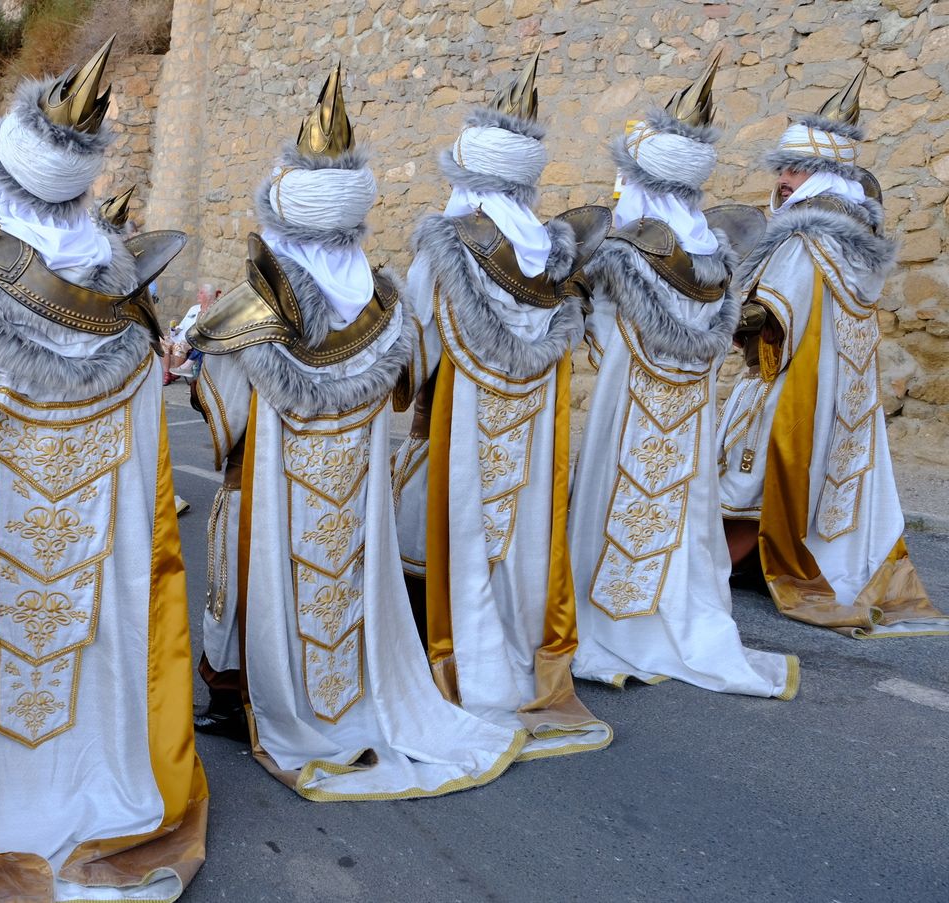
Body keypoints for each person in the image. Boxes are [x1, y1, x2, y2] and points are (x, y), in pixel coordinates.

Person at [0, 37, 207, 901]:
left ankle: (12, 805)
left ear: (4, 177)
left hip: (5, 541)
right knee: (102, 660)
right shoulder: (129, 303)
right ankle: (110, 786)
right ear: (80, 186)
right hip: (102, 548)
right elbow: (154, 441)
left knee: (7, 665)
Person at [181, 66, 524, 800]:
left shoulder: (254, 308)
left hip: (270, 495)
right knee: (342, 586)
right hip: (352, 501)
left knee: (242, 546)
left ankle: (237, 688)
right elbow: (408, 390)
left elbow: (224, 417)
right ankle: (347, 690)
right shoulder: (387, 307)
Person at [393, 51, 613, 761]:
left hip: (460, 430)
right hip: (528, 442)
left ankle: (458, 660)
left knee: (451, 525)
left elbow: (416, 345)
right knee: (519, 538)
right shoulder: (550, 259)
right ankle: (523, 655)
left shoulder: (448, 244)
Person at [568, 54, 798, 698]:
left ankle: (614, 620)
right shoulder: (710, 248)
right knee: (681, 502)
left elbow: (604, 326)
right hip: (689, 404)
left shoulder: (627, 246)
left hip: (630, 400)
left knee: (619, 497)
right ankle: (678, 613)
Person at [719, 68, 949, 637]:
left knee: (753, 462)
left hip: (789, 376)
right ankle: (765, 558)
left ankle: (732, 562)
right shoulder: (857, 229)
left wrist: (711, 311)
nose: (784, 180)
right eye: (782, 168)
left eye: (796, 169)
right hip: (842, 388)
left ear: (827, 174)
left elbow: (774, 312)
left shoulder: (808, 232)